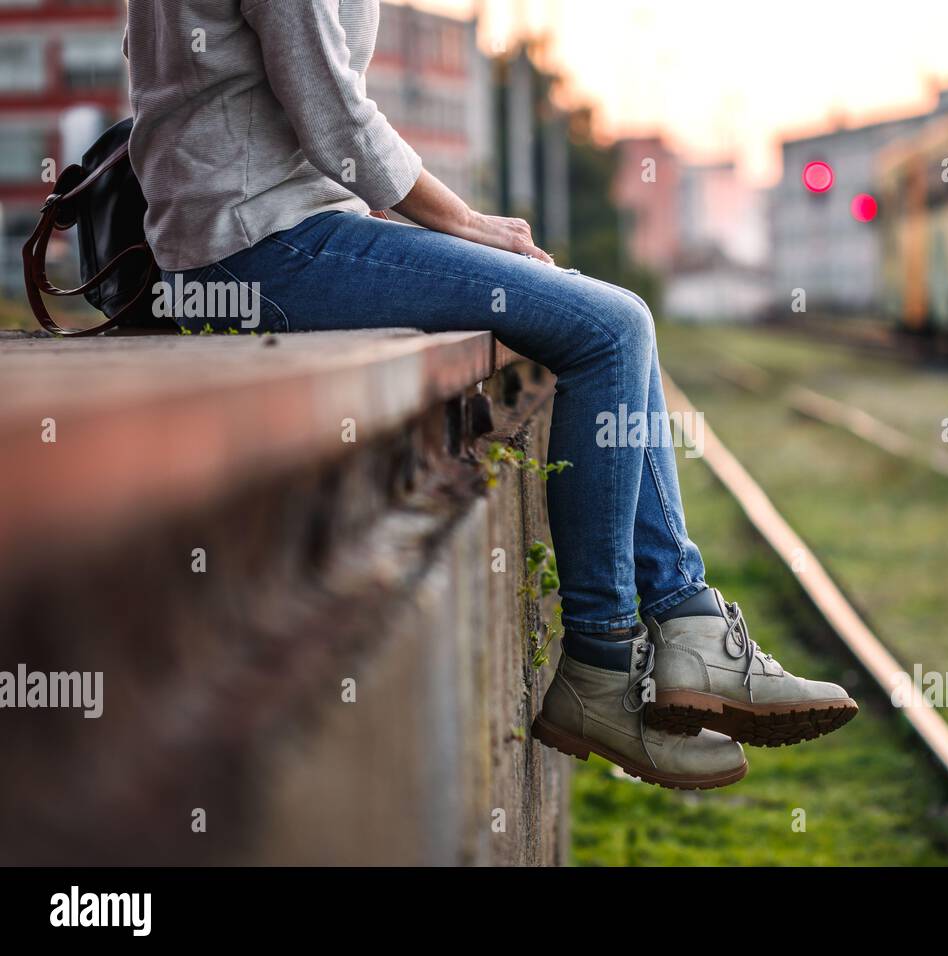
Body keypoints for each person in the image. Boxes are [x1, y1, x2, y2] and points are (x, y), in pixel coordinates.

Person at [126, 1, 856, 791]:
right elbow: (336, 121)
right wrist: (463, 221)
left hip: (250, 240)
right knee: (611, 329)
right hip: (264, 249)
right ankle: (611, 665)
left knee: (613, 322)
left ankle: (683, 627)